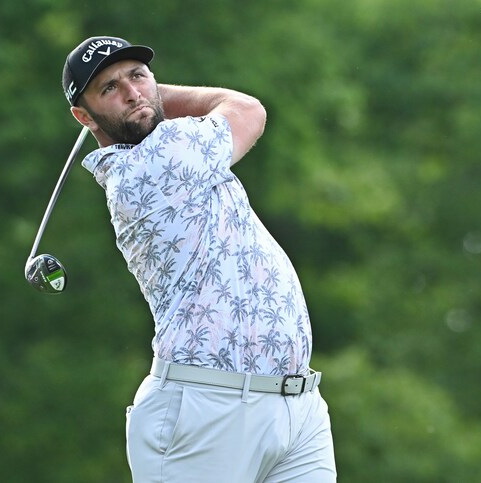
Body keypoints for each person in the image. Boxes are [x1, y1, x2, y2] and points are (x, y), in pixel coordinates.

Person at [62, 36, 336, 483]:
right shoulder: (149, 165)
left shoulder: (183, 147)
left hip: (296, 406)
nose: (131, 92)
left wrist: (136, 98)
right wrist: (156, 95)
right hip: (205, 412)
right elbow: (248, 110)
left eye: (137, 75)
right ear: (83, 116)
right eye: (109, 89)